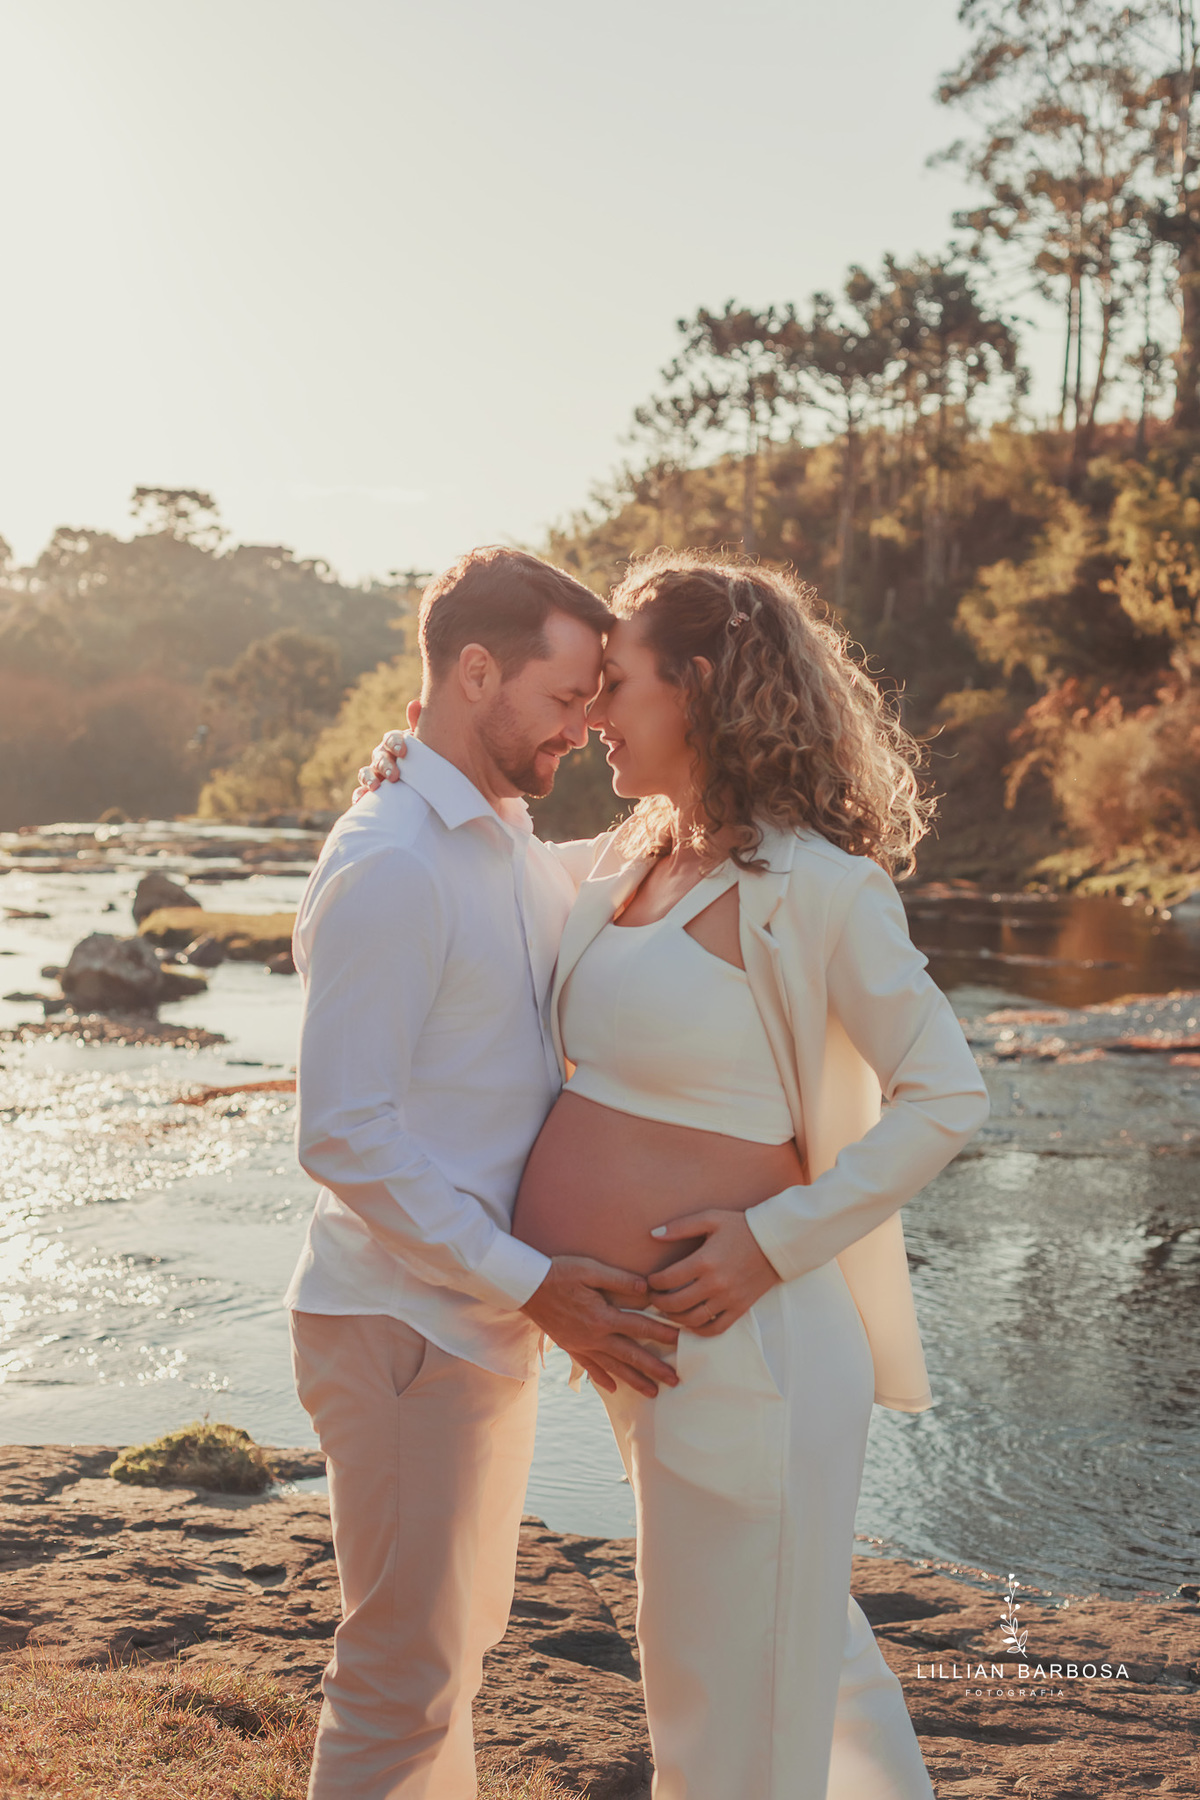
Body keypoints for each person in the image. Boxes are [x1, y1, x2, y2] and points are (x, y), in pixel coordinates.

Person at [364, 549, 990, 1800]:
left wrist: (775, 1241)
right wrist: (414, 765)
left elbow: (949, 1096)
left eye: (619, 684)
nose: (592, 712)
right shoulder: (618, 865)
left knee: (718, 1677)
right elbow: (480, 864)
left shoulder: (818, 887)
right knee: (801, 1646)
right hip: (648, 1350)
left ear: (698, 687)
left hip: (750, 1342)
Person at [286, 545, 679, 1800]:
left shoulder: (498, 835)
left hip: (470, 1321)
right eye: (568, 699)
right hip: (405, 1328)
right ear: (472, 671)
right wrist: (534, 1280)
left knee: (448, 1659)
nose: (584, 725)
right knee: (400, 1679)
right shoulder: (392, 861)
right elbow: (341, 1132)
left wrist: (711, 789)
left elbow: (603, 883)